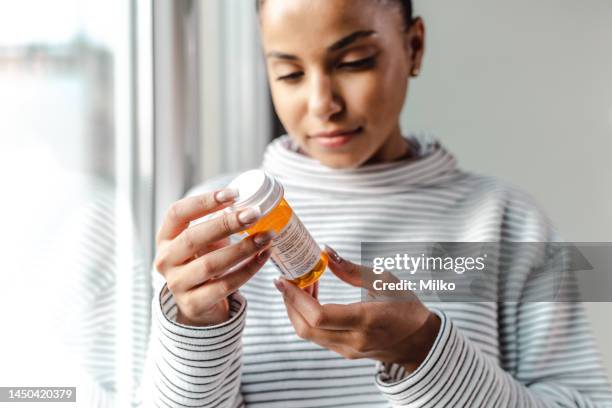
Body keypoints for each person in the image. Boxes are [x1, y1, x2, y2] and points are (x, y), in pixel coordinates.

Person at [143, 0, 612, 406]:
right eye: (288, 73)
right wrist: (194, 331)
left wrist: (424, 351)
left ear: (414, 46)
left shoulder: (512, 220)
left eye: (354, 62)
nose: (322, 103)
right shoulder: (211, 230)